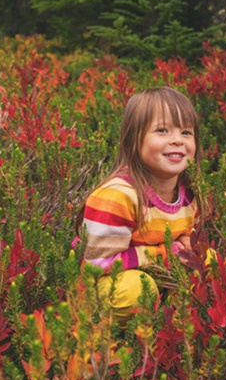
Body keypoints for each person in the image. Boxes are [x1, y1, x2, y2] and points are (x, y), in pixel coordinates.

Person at [79, 87, 202, 321]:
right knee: (135, 289)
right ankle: (118, 340)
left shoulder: (189, 195)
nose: (177, 140)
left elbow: (186, 239)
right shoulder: (117, 196)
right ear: (135, 140)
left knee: (209, 261)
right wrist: (168, 252)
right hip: (105, 289)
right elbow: (97, 265)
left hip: (159, 280)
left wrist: (188, 244)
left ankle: (175, 327)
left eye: (186, 132)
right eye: (162, 130)